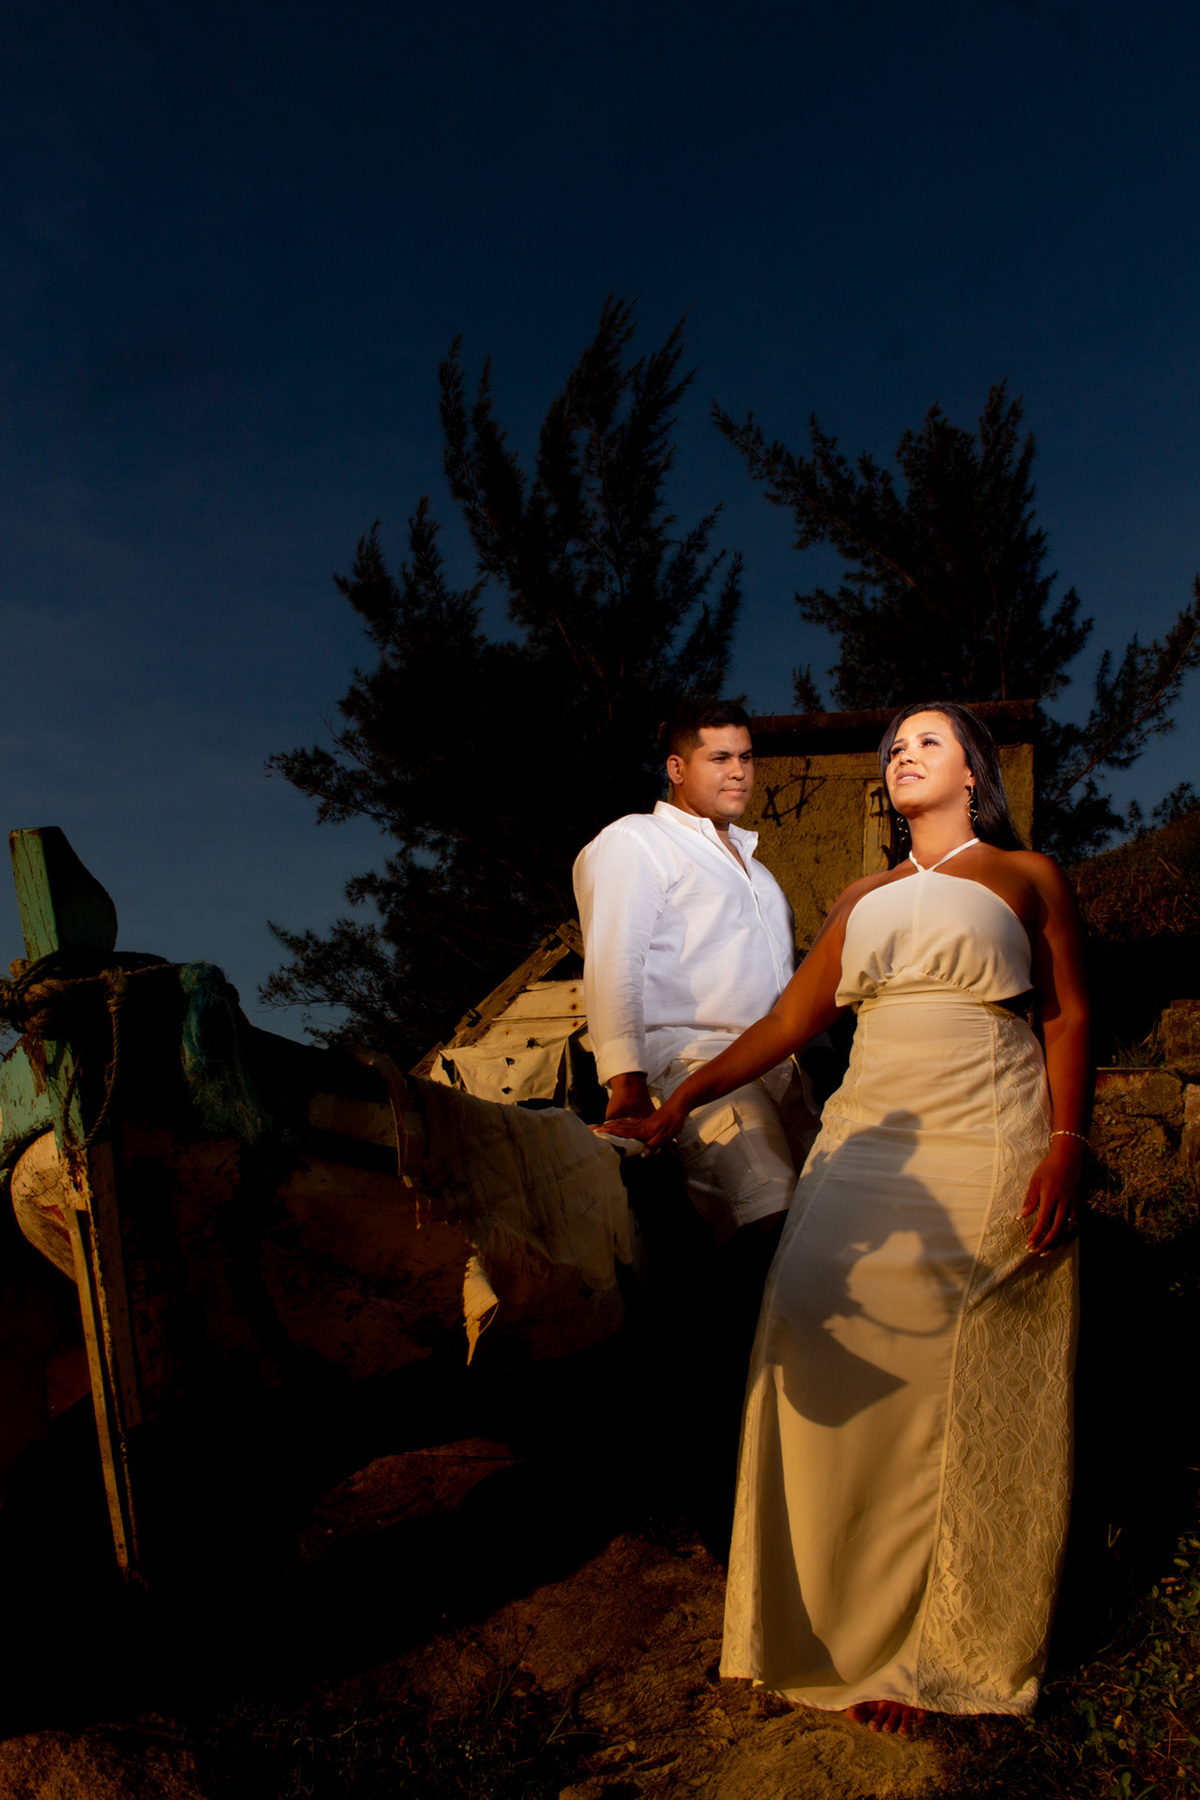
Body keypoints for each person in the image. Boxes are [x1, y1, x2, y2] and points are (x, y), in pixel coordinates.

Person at [609, 702, 1088, 1735]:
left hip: (989, 1126)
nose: (904, 754)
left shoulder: (1026, 876)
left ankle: (936, 1650)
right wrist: (682, 1097)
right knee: (813, 1332)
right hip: (870, 1137)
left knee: (958, 1379)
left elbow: (1067, 1014)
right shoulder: (860, 895)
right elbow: (791, 1020)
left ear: (974, 769)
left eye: (927, 739)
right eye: (895, 746)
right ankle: (831, 1627)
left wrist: (1064, 1146)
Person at [572, 697, 817, 1256]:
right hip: (692, 1063)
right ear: (676, 768)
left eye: (747, 758)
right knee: (768, 1209)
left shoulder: (760, 874)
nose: (738, 772)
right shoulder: (638, 840)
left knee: (823, 1221)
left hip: (784, 1073)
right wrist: (626, 1081)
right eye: (719, 758)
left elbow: (789, 989)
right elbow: (614, 957)